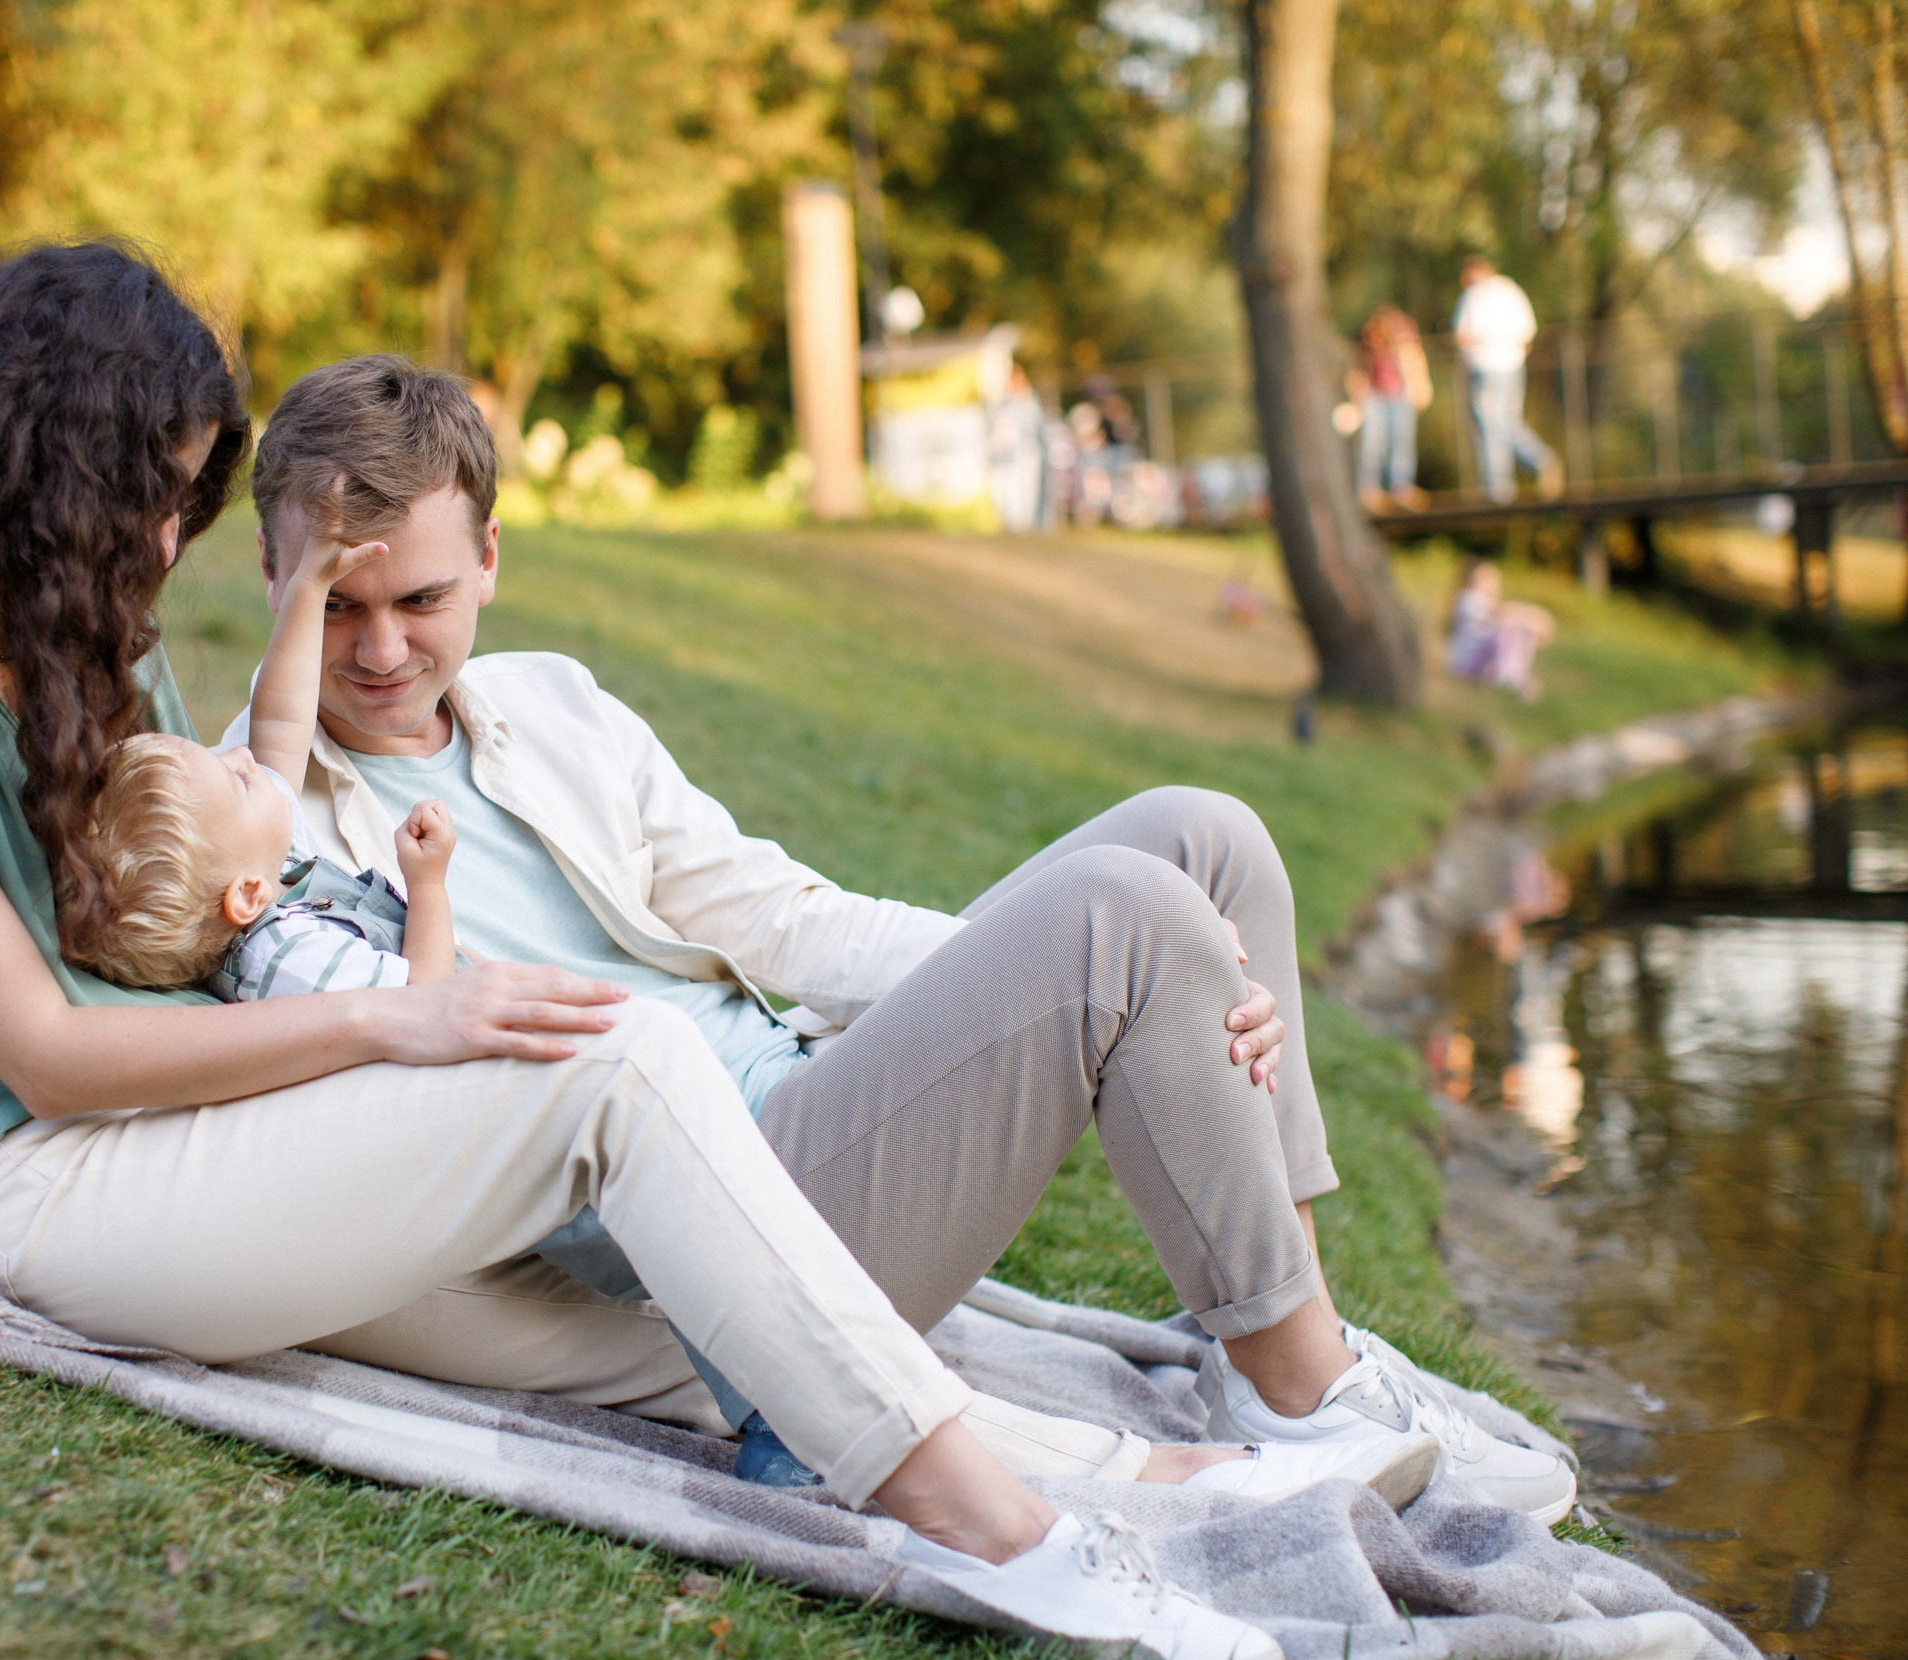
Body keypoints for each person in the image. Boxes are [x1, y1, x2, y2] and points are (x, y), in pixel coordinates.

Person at [0, 245, 1520, 1660]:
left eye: (187, 497)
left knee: (1162, 861)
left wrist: (1116, 986)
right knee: (619, 1054)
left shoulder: (109, 664)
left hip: (206, 1128)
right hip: (34, 1180)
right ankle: (999, 1523)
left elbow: (741, 902)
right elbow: (56, 1061)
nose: (165, 536)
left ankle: (1158, 1417)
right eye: (153, 495)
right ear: (39, 480)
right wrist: (396, 1005)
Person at [227, 352, 1575, 1526]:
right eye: (337, 605)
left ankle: (1280, 1348)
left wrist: (1083, 968)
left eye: (424, 599)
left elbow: (779, 915)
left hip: (815, 1107)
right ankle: (1307, 1397)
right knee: (1130, 918)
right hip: (706, 1226)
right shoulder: (248, 819)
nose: (387, 649)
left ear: (494, 563)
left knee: (1198, 840)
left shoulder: (551, 706)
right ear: (274, 575)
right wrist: (1106, 957)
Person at [72, 528, 459, 999]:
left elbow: (281, 720)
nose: (241, 755)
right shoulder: (292, 961)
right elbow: (428, 999)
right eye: (237, 780)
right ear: (247, 895)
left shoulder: (255, 860)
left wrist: (309, 588)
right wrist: (427, 884)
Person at [1452, 258, 1561, 505]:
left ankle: (1500, 488)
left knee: (1490, 426)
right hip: (1513, 367)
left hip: (1484, 368)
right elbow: (1528, 334)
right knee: (1507, 421)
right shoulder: (1513, 292)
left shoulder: (1474, 295)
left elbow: (1462, 335)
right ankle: (1539, 461)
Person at [1354, 305, 1431, 512]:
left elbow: (1415, 361)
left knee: (1401, 442)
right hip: (1375, 396)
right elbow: (1360, 370)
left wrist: (1420, 387)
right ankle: (1370, 489)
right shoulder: (1369, 343)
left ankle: (1401, 488)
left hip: (1400, 394)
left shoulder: (1403, 337)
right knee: (1372, 445)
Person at [1445, 559, 1556, 699]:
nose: (1488, 582)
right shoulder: (1468, 598)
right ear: (1471, 578)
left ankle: (1514, 676)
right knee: (1509, 630)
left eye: (1491, 578)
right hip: (1466, 662)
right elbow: (1499, 613)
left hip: (1476, 661)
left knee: (1519, 629)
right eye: (1484, 577)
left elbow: (1499, 614)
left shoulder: (1481, 601)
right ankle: (1512, 677)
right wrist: (1539, 615)